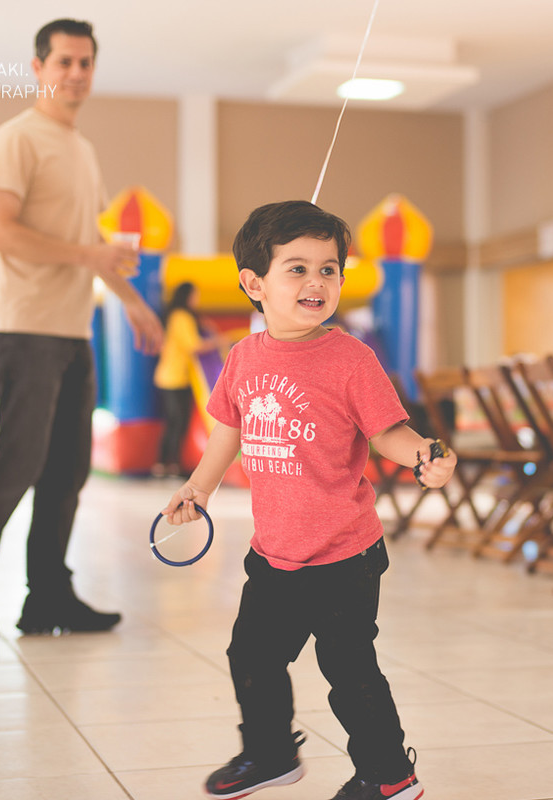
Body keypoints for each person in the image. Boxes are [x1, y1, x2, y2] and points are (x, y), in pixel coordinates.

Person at [162, 200, 453, 800]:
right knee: (251, 655)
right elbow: (229, 430)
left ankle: (388, 775)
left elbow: (387, 432)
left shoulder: (351, 358)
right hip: (275, 551)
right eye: (297, 268)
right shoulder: (243, 358)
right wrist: (198, 487)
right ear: (254, 284)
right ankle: (270, 752)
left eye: (329, 269)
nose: (316, 282)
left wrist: (424, 453)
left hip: (344, 554)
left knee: (348, 669)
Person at [0, 19, 164, 639]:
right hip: (23, 331)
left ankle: (48, 599)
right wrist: (92, 257)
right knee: (18, 464)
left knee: (66, 473)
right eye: (64, 62)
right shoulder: (16, 138)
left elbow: (90, 246)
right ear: (38, 68)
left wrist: (132, 302)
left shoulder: (81, 149)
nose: (76, 73)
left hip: (71, 334)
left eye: (86, 63)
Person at [152, 281, 223, 478]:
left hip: (175, 376)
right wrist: (218, 341)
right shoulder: (181, 316)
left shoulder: (178, 316)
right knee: (177, 422)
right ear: (187, 296)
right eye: (195, 295)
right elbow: (194, 345)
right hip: (173, 377)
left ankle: (165, 465)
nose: (196, 299)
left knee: (174, 422)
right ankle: (169, 465)